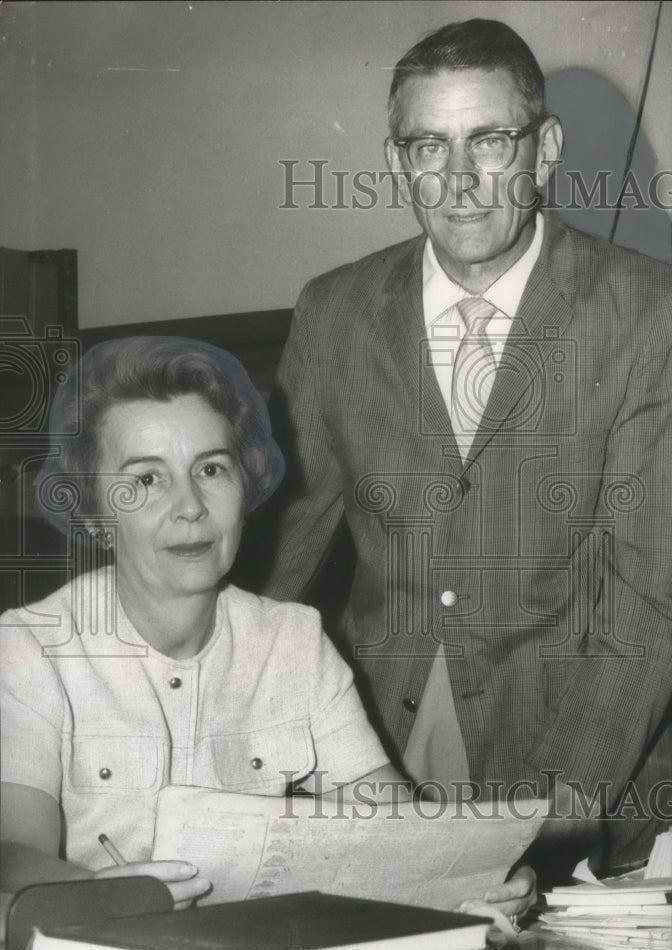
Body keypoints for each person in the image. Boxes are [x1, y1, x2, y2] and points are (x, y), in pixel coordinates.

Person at [249, 19, 672, 876]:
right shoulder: (332, 312)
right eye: (429, 147)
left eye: (490, 140)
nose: (461, 181)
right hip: (372, 755)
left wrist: (547, 825)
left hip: (579, 767)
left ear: (545, 148)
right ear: (399, 160)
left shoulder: (648, 312)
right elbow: (274, 572)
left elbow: (647, 605)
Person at [0, 335, 535, 915]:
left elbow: (397, 830)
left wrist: (481, 873)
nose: (191, 506)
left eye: (210, 468)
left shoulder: (294, 642)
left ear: (245, 486)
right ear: (95, 510)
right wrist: (103, 896)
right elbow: (10, 853)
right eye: (147, 479)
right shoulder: (32, 647)